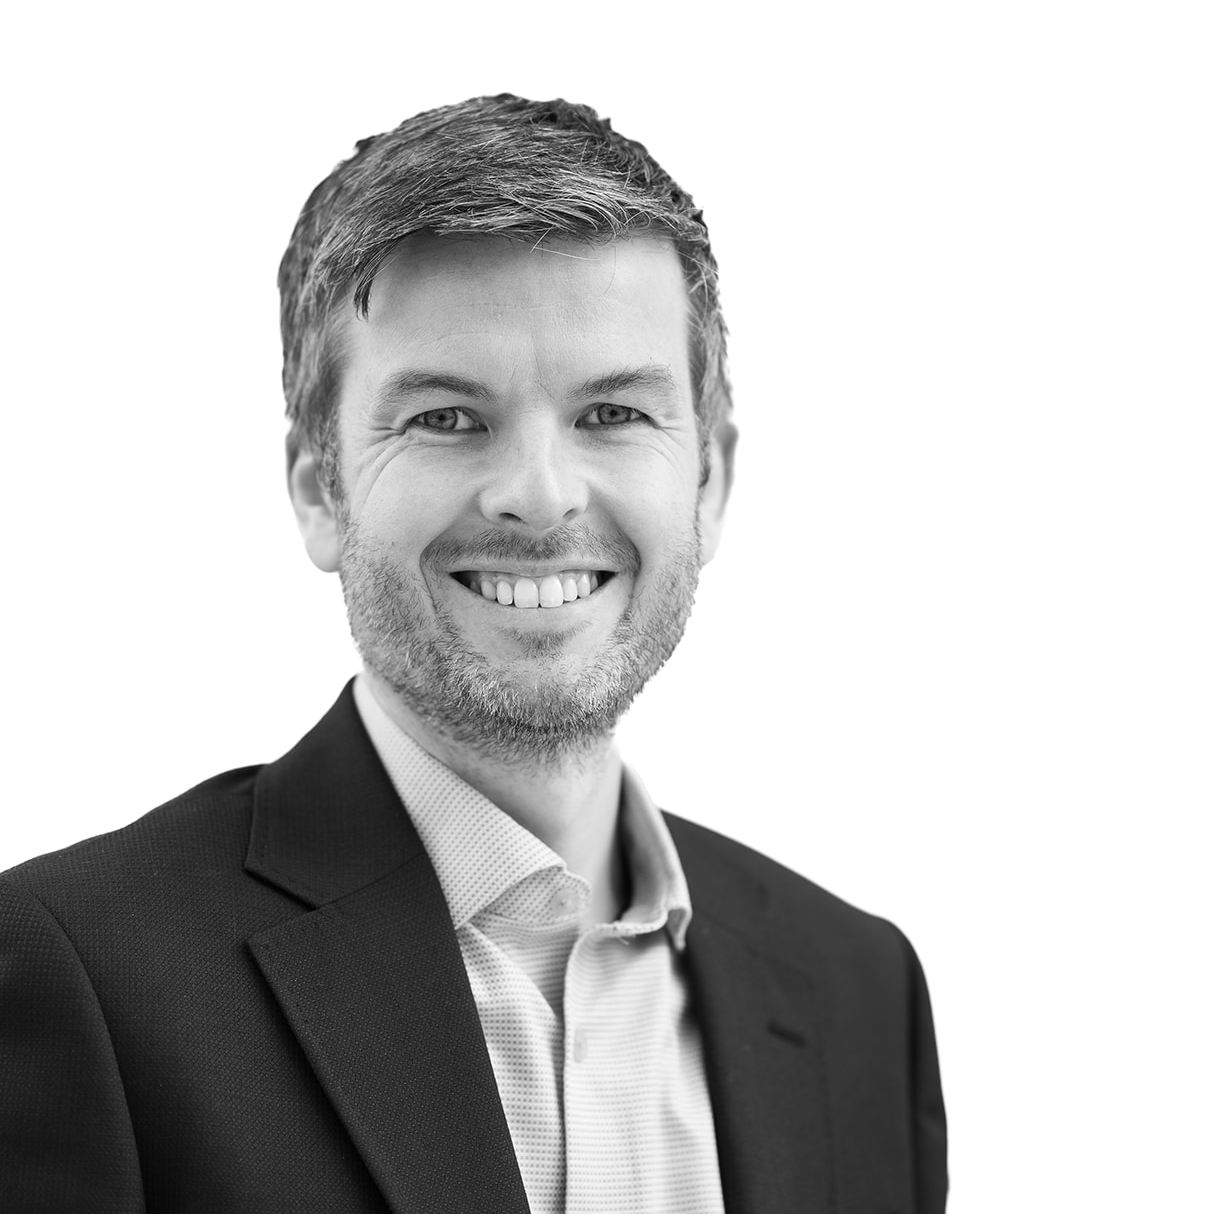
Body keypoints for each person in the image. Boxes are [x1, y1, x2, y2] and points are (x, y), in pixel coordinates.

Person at [0, 95, 947, 1212]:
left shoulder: (857, 995)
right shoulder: (81, 976)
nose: (539, 495)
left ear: (711, 481)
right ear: (318, 489)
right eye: (447, 418)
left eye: (612, 413)